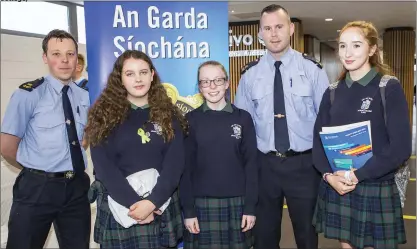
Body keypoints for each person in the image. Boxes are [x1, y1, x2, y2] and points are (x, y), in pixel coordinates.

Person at [234, 4, 330, 249]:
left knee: (307, 237)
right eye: (267, 28)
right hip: (264, 167)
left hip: (304, 166)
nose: (273, 33)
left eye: (279, 26)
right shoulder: (249, 75)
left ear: (291, 29)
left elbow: (327, 121)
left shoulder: (312, 70)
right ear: (260, 34)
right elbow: (242, 128)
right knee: (264, 238)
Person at [312, 21, 411, 249]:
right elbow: (318, 142)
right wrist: (329, 176)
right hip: (340, 184)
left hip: (374, 184)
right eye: (343, 46)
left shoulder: (388, 87)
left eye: (356, 45)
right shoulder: (332, 92)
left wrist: (358, 175)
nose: (348, 53)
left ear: (372, 49)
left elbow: (401, 148)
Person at [86, 50, 188, 249]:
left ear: (152, 75)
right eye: (130, 73)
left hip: (160, 205)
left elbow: (174, 164)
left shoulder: (169, 115)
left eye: (143, 72)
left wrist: (152, 203)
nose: (138, 79)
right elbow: (105, 169)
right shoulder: (103, 117)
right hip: (121, 207)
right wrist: (136, 205)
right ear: (120, 79)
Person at [0, 29, 91, 249]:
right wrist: (38, 171)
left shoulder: (85, 96)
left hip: (76, 187)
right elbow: (6, 146)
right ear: (45, 58)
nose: (64, 60)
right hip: (37, 188)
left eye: (70, 54)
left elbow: (84, 138)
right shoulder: (28, 94)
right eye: (56, 54)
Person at [180, 61, 258, 249]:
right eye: (205, 82)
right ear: (199, 87)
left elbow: (252, 166)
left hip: (238, 205)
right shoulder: (190, 121)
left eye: (217, 80)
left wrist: (250, 208)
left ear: (227, 83)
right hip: (201, 206)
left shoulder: (243, 118)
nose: (212, 86)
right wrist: (189, 211)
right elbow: (185, 170)